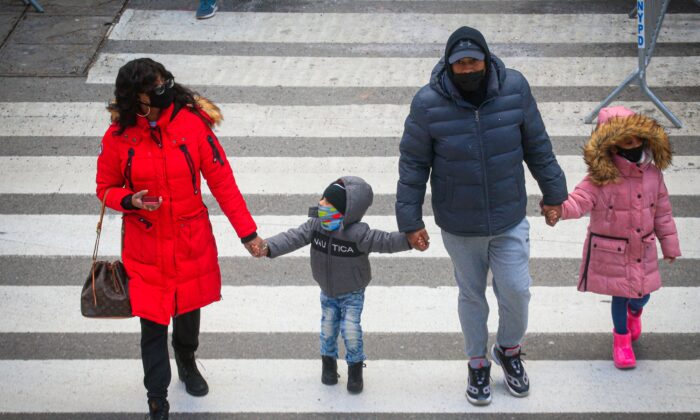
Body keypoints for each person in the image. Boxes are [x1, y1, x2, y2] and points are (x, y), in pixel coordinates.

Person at [395, 26, 567, 406]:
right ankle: (477, 363)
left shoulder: (515, 89)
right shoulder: (427, 104)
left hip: (509, 217)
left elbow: (538, 145)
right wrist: (411, 222)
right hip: (459, 224)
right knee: (472, 296)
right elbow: (413, 166)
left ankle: (508, 350)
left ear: (487, 60)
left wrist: (554, 194)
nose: (468, 69)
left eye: (474, 62)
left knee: (517, 291)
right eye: (461, 64)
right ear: (449, 66)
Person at [96, 58, 264, 420]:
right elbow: (104, 188)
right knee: (152, 322)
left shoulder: (192, 125)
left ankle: (187, 360)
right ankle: (156, 396)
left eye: (165, 82)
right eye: (156, 87)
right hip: (145, 245)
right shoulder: (118, 137)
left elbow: (223, 183)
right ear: (136, 97)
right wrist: (129, 200)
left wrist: (247, 233)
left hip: (190, 240)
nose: (165, 90)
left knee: (188, 311)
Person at [544, 106, 681, 369]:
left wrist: (670, 244)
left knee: (643, 295)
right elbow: (579, 201)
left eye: (636, 139)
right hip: (614, 252)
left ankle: (636, 311)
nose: (632, 145)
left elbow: (663, 212)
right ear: (611, 144)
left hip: (643, 249)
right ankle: (621, 340)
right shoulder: (600, 178)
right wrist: (559, 210)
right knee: (620, 295)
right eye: (625, 141)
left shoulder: (653, 175)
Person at [257, 176, 414, 394]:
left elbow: (385, 241)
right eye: (323, 199)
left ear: (346, 211)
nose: (322, 204)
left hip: (353, 292)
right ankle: (328, 368)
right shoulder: (315, 226)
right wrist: (268, 247)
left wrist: (409, 240)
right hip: (327, 290)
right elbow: (292, 237)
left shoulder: (358, 233)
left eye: (329, 203)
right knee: (328, 329)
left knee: (350, 330)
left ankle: (355, 370)